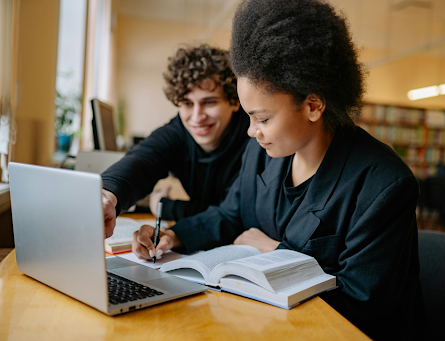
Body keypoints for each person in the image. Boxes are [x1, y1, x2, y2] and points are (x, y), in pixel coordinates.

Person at [132, 1, 425, 339]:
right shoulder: (263, 151)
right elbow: (230, 214)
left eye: (263, 118)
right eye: (249, 117)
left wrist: (273, 252)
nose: (251, 131)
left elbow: (361, 302)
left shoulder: (383, 184)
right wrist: (175, 235)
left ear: (313, 105)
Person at [101, 45, 250, 238]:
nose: (197, 117)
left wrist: (166, 206)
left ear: (235, 101)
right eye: (188, 103)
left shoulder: (256, 135)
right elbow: (142, 160)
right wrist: (107, 196)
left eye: (209, 102)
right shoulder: (177, 131)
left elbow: (235, 215)